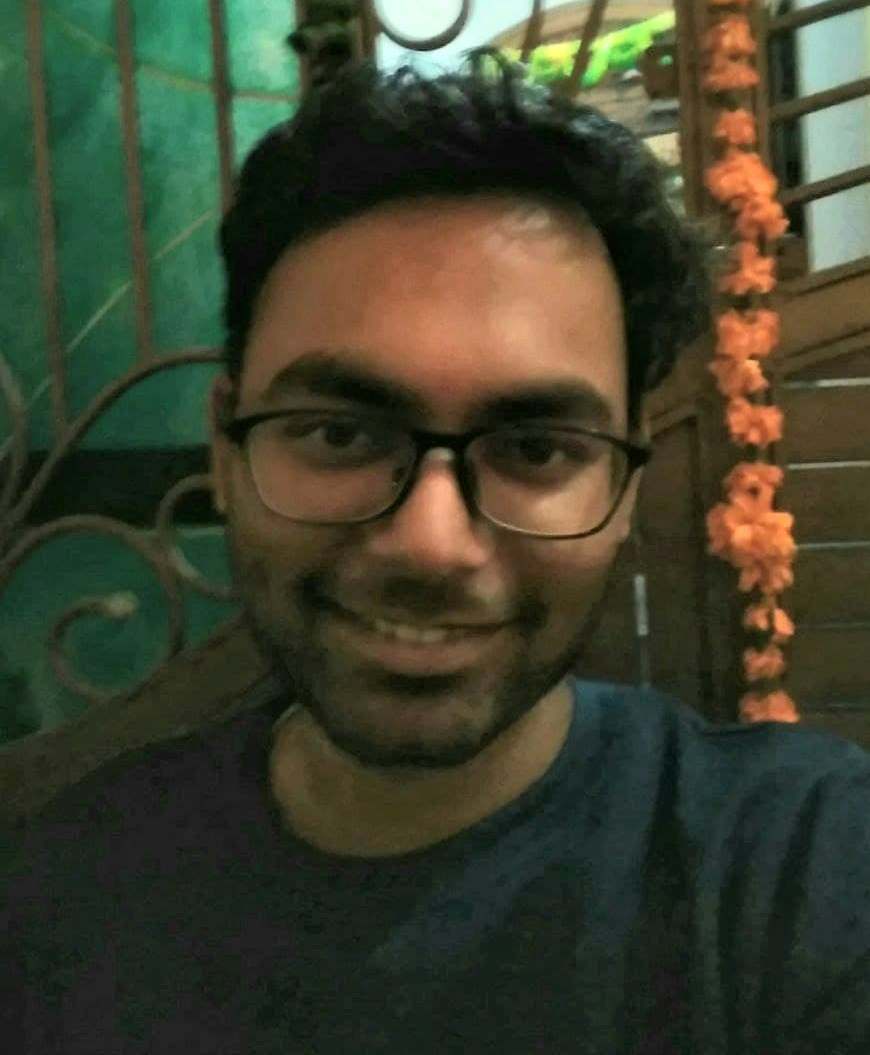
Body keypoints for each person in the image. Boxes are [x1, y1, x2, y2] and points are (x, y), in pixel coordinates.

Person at [3, 50, 870, 1054]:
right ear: (227, 451)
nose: (430, 542)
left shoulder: (802, 874)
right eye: (340, 432)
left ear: (625, 484)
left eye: (536, 448)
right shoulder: (59, 902)